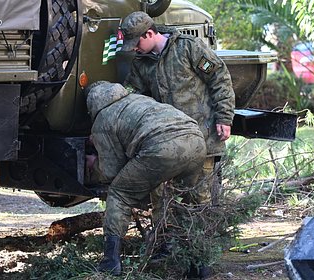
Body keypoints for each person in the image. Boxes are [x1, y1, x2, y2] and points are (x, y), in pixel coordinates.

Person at [85, 81, 206, 275]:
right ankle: (199, 263)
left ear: (92, 103)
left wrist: (93, 164)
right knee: (186, 202)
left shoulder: (103, 117)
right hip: (197, 141)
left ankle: (110, 262)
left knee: (119, 194)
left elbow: (110, 171)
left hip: (163, 149)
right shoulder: (138, 100)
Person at [121, 11, 235, 205]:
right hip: (169, 143)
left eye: (137, 44)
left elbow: (219, 78)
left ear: (149, 34)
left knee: (200, 196)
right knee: (169, 201)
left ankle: (204, 234)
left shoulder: (188, 48)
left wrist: (224, 117)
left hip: (202, 136)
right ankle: (172, 235)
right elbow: (134, 99)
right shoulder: (141, 64)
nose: (134, 50)